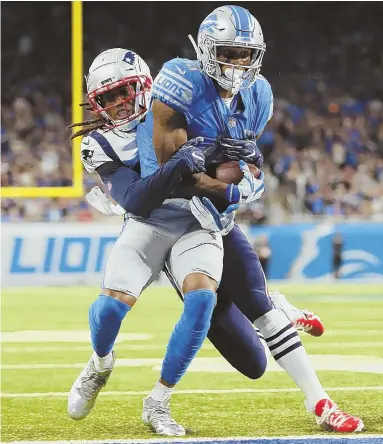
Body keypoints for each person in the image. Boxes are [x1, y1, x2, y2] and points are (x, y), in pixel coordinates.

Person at [138, 5, 363, 434]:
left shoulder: (260, 94)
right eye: (227, 52)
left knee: (259, 310)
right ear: (205, 50)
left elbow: (238, 164)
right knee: (251, 360)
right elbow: (174, 174)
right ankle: (276, 303)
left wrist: (249, 178)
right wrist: (232, 186)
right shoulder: (179, 82)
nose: (237, 64)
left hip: (215, 219)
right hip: (171, 221)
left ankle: (321, 403)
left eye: (246, 55)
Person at [66, 47, 266, 436]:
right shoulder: (99, 143)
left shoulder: (178, 104)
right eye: (107, 98)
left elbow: (231, 147)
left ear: (145, 85)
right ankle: (100, 363)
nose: (119, 104)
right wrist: (180, 162)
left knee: (203, 300)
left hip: (195, 219)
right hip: (147, 223)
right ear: (96, 103)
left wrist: (248, 153)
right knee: (109, 310)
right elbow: (137, 199)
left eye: (124, 91)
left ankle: (158, 401)